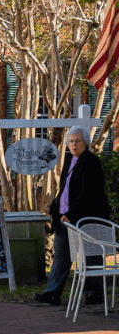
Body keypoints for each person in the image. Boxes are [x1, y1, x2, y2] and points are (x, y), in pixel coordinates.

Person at [34, 126, 111, 306]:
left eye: (77, 141)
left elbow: (89, 193)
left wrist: (72, 213)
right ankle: (52, 293)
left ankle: (94, 294)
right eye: (71, 141)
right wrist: (58, 209)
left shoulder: (91, 162)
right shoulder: (69, 160)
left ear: (85, 143)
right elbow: (65, 189)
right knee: (61, 255)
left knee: (91, 256)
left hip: (85, 219)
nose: (74, 145)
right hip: (63, 218)